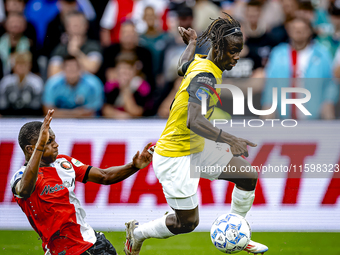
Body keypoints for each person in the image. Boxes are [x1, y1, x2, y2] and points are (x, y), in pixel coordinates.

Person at [124, 14, 268, 255]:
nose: (237, 56)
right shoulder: (206, 76)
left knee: (247, 176)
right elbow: (194, 120)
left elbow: (182, 66)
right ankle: (137, 233)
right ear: (218, 47)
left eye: (239, 50)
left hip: (196, 147)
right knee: (187, 223)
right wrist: (230, 139)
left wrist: (191, 43)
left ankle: (238, 232)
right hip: (175, 155)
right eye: (232, 50)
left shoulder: (203, 63)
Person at [10, 109, 154, 254]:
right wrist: (40, 146)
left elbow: (104, 176)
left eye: (54, 140)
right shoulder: (20, 177)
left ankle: (134, 239)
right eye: (48, 142)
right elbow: (24, 190)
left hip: (93, 241)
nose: (56, 145)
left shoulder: (64, 162)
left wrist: (134, 166)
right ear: (30, 149)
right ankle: (135, 238)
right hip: (65, 250)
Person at [263, 17, 338, 119]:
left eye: (303, 29)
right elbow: (271, 83)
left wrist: (329, 101)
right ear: (289, 31)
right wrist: (268, 104)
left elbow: (331, 82)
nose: (298, 31)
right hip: (284, 117)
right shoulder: (278, 53)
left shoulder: (321, 54)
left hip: (313, 116)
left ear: (310, 32)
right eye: (294, 28)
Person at [47, 11, 102, 77]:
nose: (76, 28)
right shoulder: (60, 49)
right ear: (66, 27)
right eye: (73, 25)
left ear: (86, 26)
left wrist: (76, 52)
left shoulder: (94, 46)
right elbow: (53, 74)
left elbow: (92, 69)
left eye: (79, 24)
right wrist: (79, 70)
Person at [102, 53, 151, 119]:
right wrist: (118, 115)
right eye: (121, 69)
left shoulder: (142, 87)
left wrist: (125, 90)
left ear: (134, 70)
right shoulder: (111, 85)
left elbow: (137, 112)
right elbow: (106, 109)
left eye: (127, 69)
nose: (124, 72)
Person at [0, 52, 43, 116]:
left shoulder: (37, 82)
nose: (21, 67)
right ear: (13, 66)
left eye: (24, 64)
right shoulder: (5, 82)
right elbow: (3, 106)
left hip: (31, 117)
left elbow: (36, 106)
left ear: (29, 65)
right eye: (19, 64)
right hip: (9, 118)